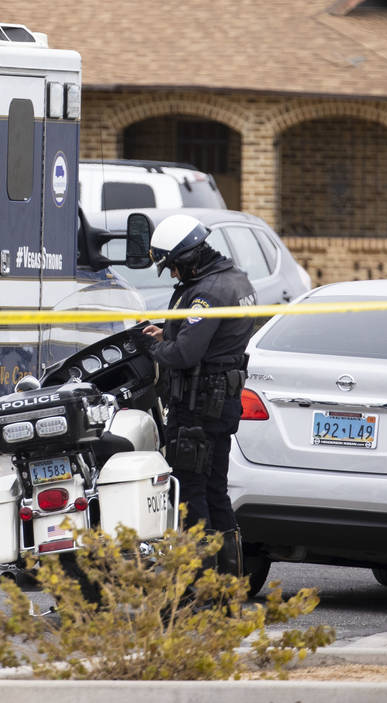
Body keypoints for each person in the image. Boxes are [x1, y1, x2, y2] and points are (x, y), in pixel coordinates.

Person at [136, 213, 256, 576]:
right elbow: (207, 341)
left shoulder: (206, 293)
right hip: (221, 405)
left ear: (188, 257)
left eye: (173, 267)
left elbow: (186, 354)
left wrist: (153, 348)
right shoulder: (236, 279)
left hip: (196, 409)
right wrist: (168, 335)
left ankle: (199, 589)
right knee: (217, 492)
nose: (172, 275)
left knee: (191, 495)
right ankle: (229, 584)